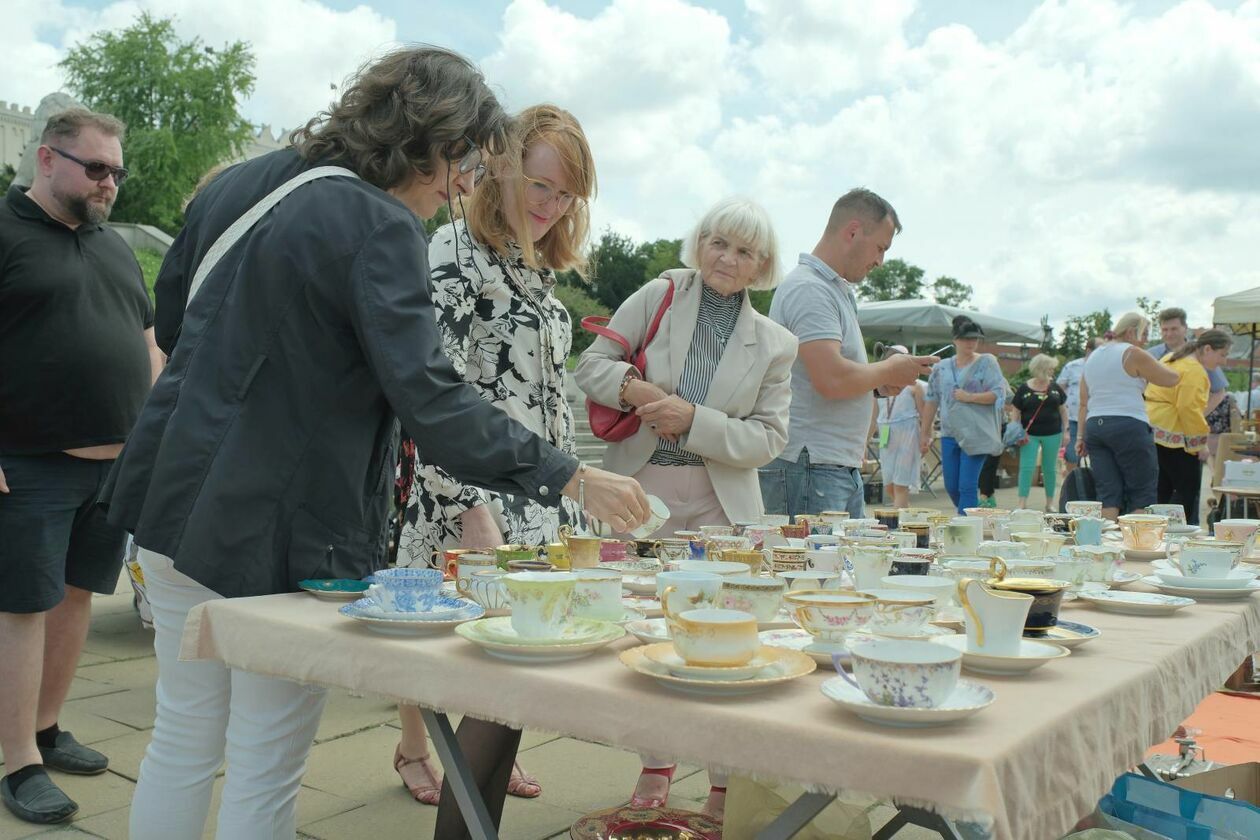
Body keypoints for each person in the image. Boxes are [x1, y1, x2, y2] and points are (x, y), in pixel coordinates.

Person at [98, 48, 648, 840]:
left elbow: (178, 318)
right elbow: (428, 397)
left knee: (181, 736)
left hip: (172, 490)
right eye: (460, 163)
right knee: (265, 752)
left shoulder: (240, 183)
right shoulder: (381, 221)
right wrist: (569, 477)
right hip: (276, 526)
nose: (461, 186)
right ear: (429, 139)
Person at [390, 104, 594, 812]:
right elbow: (432, 391)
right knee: (441, 645)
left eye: (567, 194)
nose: (553, 206)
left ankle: (489, 754)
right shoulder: (453, 249)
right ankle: (417, 747)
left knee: (512, 644)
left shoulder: (533, 265)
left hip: (535, 493)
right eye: (542, 186)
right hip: (471, 485)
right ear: (501, 171)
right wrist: (467, 503)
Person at [575, 196, 796, 820]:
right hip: (641, 492)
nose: (727, 258)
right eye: (718, 242)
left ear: (762, 265)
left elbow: (769, 440)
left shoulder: (777, 344)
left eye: (745, 251)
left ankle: (726, 777)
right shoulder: (659, 294)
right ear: (699, 242)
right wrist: (641, 390)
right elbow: (592, 366)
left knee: (729, 638)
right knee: (648, 631)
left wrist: (693, 421)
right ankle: (656, 763)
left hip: (722, 504)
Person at [0, 108, 163, 825]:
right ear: (45, 159)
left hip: (113, 463)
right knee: (23, 609)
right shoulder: (6, 235)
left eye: (116, 172)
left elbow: (147, 340)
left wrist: (155, 434)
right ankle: (16, 763)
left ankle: (46, 726)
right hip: (29, 461)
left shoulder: (113, 247)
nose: (109, 184)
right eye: (95, 168)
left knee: (75, 599)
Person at [760, 188, 936, 519]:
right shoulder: (810, 289)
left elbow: (830, 377)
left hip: (827, 465)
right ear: (852, 231)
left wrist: (878, 383)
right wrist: (886, 371)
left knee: (839, 568)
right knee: (814, 569)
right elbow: (831, 379)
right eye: (880, 248)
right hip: (811, 465)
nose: (880, 261)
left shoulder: (830, 289)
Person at [1076, 313, 1179, 520]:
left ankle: (1103, 545)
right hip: (1128, 423)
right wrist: (1179, 362)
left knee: (1108, 495)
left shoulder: (1093, 357)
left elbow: (1084, 401)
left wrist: (1080, 436)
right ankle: (1137, 544)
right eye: (1145, 333)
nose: (1146, 340)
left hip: (1095, 425)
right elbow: (1170, 379)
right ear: (1132, 332)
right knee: (1142, 493)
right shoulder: (1132, 353)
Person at [919, 316, 1006, 514]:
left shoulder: (987, 363)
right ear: (955, 340)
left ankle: (964, 528)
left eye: (974, 338)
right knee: (951, 485)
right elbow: (931, 400)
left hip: (977, 432)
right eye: (966, 338)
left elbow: (998, 394)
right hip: (950, 432)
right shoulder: (941, 368)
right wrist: (925, 433)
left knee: (967, 485)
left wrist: (970, 397)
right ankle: (973, 516)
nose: (971, 342)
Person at [1145, 330, 1232, 526]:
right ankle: (1172, 534)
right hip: (1174, 433)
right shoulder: (1194, 370)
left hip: (1154, 427)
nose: (1224, 361)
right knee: (1187, 490)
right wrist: (1199, 444)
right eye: (1222, 355)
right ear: (1207, 349)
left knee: (1163, 488)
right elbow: (1189, 409)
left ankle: (1155, 532)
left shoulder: (1173, 358)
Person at [1012, 353, 1070, 511]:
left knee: (1049, 468)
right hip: (1029, 435)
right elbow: (1015, 412)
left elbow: (1063, 411)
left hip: (1052, 433)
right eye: (1050, 368)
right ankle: (1022, 502)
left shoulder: (1055, 388)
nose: (1053, 371)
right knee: (1026, 467)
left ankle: (1050, 503)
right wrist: (1017, 431)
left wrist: (1066, 431)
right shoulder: (1024, 388)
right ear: (1042, 369)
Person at [1148, 308, 1228, 418]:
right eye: (1165, 330)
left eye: (1174, 329)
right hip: (1156, 420)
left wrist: (1198, 416)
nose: (1169, 334)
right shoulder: (1151, 355)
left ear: (1185, 328)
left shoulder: (1203, 353)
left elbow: (1219, 391)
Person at [875, 348, 925, 508]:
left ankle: (899, 522)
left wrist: (925, 438)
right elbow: (873, 414)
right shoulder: (878, 385)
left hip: (907, 433)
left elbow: (924, 415)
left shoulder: (915, 387)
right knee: (888, 483)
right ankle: (906, 512)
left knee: (900, 483)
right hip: (885, 433)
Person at [1057, 336, 1102, 478]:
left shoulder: (1105, 366)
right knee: (1071, 454)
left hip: (1096, 418)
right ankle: (1072, 484)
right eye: (1100, 348)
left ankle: (1096, 486)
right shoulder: (1072, 366)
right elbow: (1059, 390)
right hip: (1073, 418)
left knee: (1099, 456)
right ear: (1089, 350)